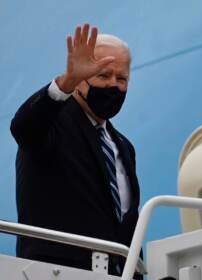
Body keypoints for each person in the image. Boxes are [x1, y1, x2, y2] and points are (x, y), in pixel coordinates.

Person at [10, 23, 142, 278]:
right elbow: (23, 127)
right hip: (54, 272)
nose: (113, 85)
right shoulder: (52, 123)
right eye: (103, 76)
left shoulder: (124, 147)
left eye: (122, 78)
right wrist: (66, 82)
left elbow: (125, 226)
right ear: (81, 79)